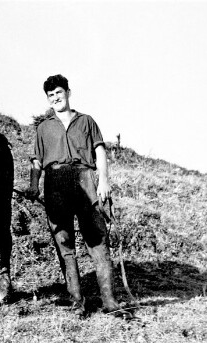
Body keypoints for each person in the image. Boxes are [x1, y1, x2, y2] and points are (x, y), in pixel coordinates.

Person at [25, 74, 131, 318]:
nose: (55, 98)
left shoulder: (86, 121)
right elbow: (37, 161)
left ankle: (110, 301)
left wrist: (103, 181)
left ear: (68, 93)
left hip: (85, 182)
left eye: (59, 93)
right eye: (50, 95)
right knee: (64, 244)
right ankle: (77, 302)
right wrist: (34, 185)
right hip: (55, 185)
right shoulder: (44, 128)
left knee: (97, 240)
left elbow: (100, 151)